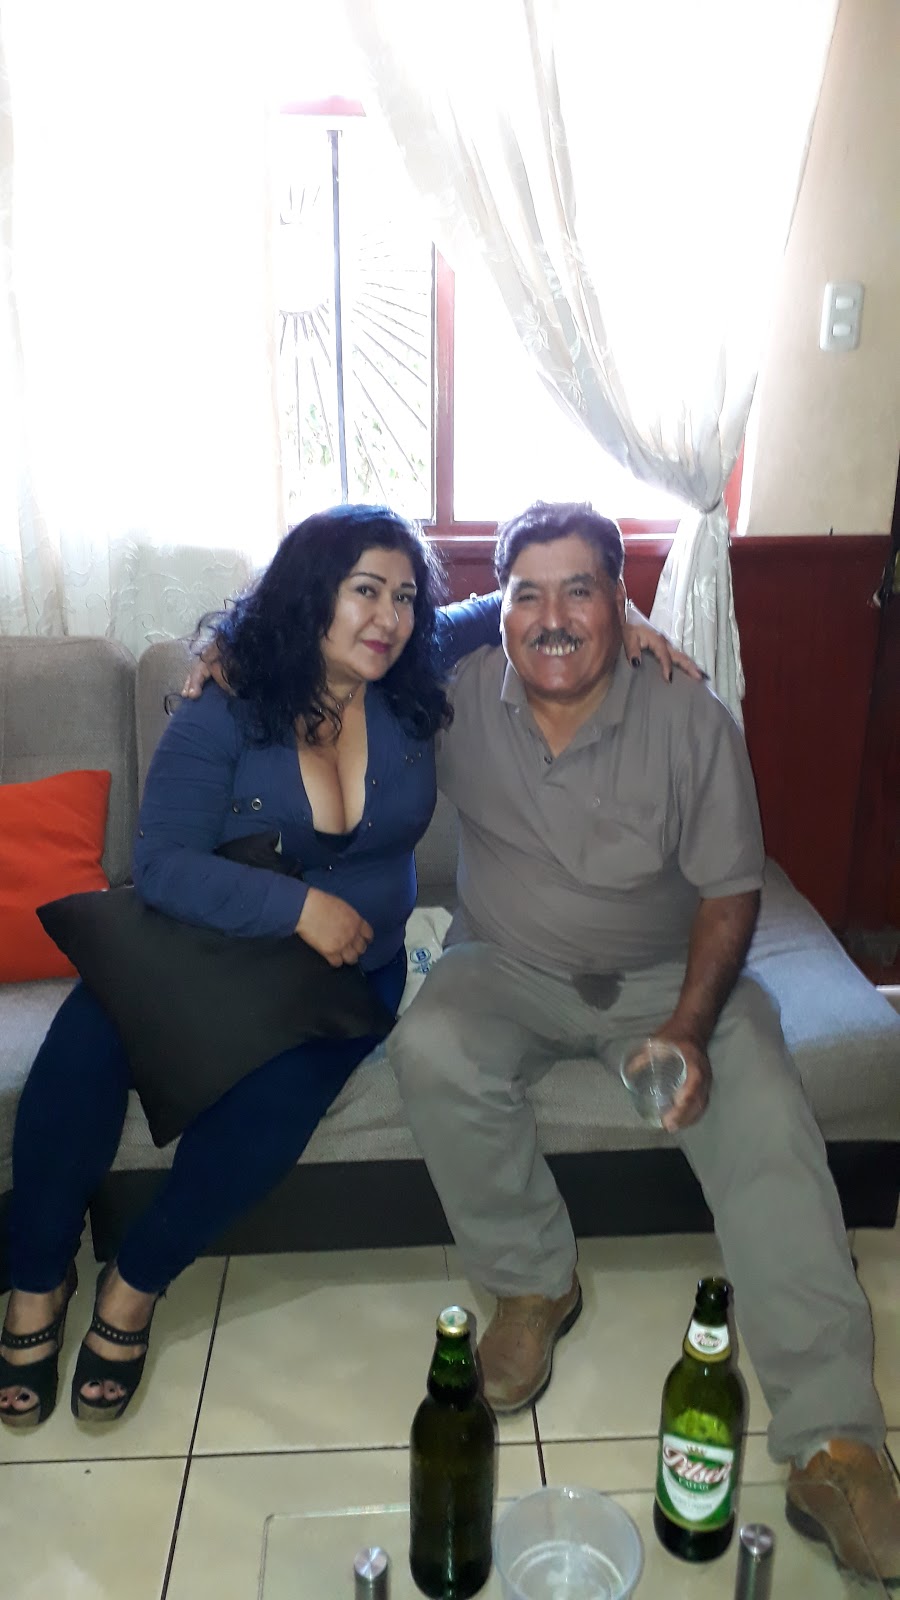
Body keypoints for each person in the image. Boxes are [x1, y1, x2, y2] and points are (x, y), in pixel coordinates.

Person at [0, 502, 682, 1431]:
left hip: (346, 972)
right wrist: (297, 908)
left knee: (272, 1114)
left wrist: (625, 616)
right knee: (80, 1052)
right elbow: (160, 866)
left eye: (403, 596)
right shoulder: (228, 699)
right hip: (197, 943)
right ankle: (36, 1281)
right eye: (365, 590)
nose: (388, 617)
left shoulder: (411, 666)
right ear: (312, 593)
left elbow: (527, 600)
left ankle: (135, 1283)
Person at [387, 500, 900, 1582]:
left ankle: (835, 1443)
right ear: (499, 610)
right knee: (431, 1045)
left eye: (580, 591)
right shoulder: (454, 696)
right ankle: (534, 1284)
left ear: (623, 604)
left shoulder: (687, 716)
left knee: (767, 1126)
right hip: (508, 967)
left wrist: (690, 1026)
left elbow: (730, 890)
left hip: (669, 979)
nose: (552, 618)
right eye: (528, 594)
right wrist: (220, 657)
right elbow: (332, 654)